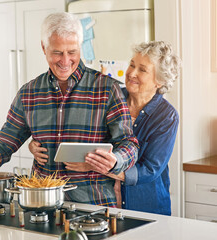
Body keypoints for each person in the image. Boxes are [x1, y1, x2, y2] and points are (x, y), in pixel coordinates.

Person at [0, 12, 139, 207]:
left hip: (94, 205)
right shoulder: (29, 93)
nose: (65, 61)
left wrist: (115, 160)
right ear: (43, 47)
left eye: (71, 52)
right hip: (40, 205)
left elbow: (129, 143)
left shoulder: (106, 89)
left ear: (80, 47)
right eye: (57, 52)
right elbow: (5, 143)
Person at [29, 40, 181, 215]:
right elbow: (73, 133)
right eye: (132, 65)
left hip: (145, 206)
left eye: (142, 69)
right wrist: (38, 144)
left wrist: (95, 166)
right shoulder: (109, 95)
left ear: (159, 81)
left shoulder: (166, 116)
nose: (131, 73)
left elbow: (149, 170)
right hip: (103, 203)